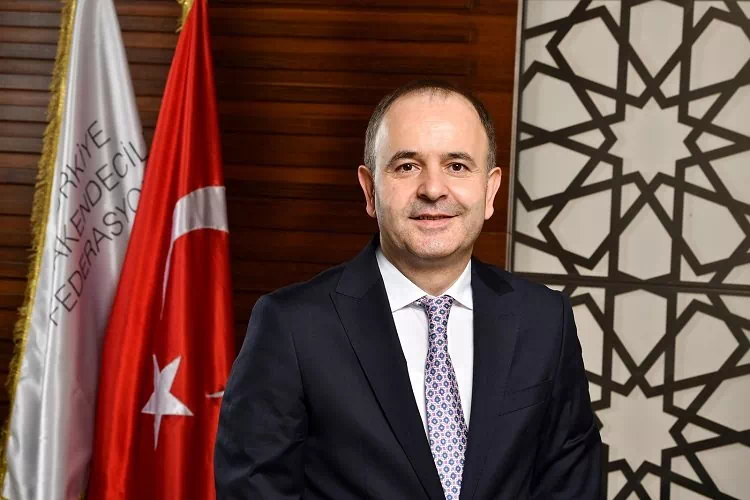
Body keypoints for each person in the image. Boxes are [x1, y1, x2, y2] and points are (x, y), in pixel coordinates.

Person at [214, 80, 602, 499]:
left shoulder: (545, 320)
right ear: (369, 190)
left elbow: (573, 486)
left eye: (457, 166)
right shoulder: (291, 326)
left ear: (490, 190)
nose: (433, 189)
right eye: (407, 166)